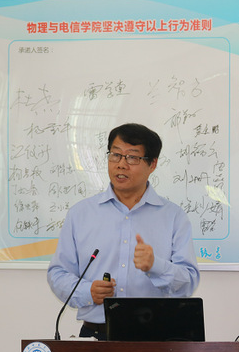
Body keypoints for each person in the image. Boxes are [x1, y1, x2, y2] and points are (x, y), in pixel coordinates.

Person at [47, 123, 200, 339]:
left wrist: (156, 265)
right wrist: (87, 291)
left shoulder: (173, 216)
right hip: (96, 335)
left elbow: (188, 283)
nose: (121, 164)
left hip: (155, 337)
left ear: (152, 164)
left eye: (132, 157)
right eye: (115, 155)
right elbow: (58, 273)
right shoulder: (81, 214)